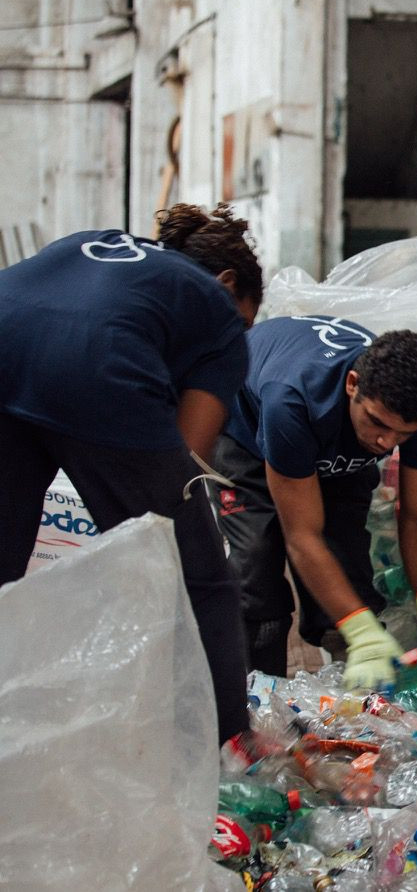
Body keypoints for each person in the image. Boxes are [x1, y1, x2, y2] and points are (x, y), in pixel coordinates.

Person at [0, 204, 264, 744]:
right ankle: (233, 746)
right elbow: (187, 464)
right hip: (99, 364)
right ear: (228, 283)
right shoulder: (217, 311)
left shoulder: (102, 242)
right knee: (201, 573)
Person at [211, 316, 417, 690]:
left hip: (334, 440)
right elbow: (302, 535)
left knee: (352, 572)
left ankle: (362, 699)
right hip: (247, 433)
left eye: (403, 435)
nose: (385, 444)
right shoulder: (291, 399)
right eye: (378, 423)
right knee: (258, 568)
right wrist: (362, 631)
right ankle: (260, 703)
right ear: (352, 385)